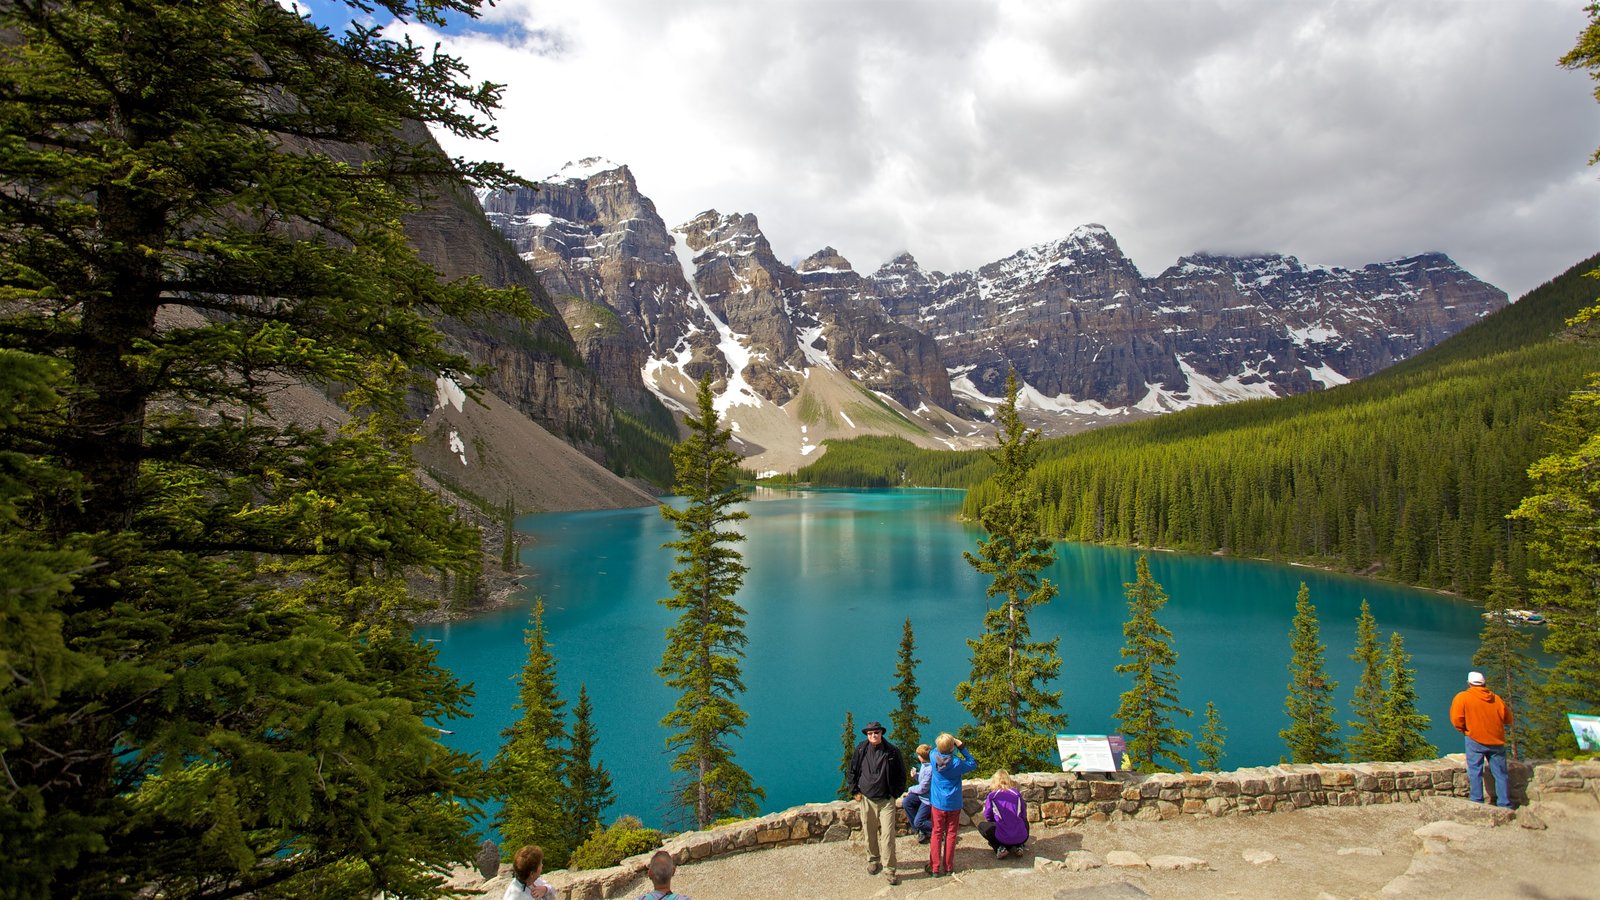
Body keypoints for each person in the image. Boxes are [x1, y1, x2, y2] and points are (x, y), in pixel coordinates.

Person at [847, 719, 908, 885]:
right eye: (870, 733)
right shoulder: (861, 749)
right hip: (867, 799)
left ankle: (890, 870)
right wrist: (855, 791)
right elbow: (852, 771)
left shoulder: (892, 752)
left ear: (881, 733)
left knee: (888, 837)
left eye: (876, 733)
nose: (873, 735)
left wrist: (895, 793)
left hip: (886, 800)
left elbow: (901, 775)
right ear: (867, 735)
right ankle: (873, 861)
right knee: (869, 833)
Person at [1449, 670, 1514, 808]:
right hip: (1496, 741)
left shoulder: (1463, 697)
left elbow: (1456, 719)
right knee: (1501, 774)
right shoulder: (1496, 699)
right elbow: (1508, 718)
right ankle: (1505, 804)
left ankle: (1477, 801)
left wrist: (1465, 730)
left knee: (1475, 771)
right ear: (1484, 684)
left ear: (1469, 683)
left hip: (1474, 739)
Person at [926, 732, 976, 877]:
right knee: (951, 834)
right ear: (952, 748)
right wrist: (961, 747)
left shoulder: (933, 756)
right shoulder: (957, 763)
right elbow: (972, 763)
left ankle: (934, 867)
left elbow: (936, 749)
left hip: (937, 803)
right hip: (953, 803)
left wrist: (948, 743)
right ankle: (948, 867)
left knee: (936, 833)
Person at [977, 769, 1029, 858]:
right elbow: (1023, 814)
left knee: (982, 826)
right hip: (1021, 836)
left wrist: (996, 822)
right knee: (1024, 822)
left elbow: (988, 816)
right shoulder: (1016, 793)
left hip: (1002, 835)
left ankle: (1000, 848)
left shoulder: (992, 796)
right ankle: (1019, 846)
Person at [900, 743, 933, 844]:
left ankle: (938, 829)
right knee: (907, 802)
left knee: (919, 821)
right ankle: (920, 831)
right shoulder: (924, 765)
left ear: (922, 757)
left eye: (919, 755)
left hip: (927, 799)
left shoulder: (930, 769)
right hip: (923, 795)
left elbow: (923, 788)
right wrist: (916, 776)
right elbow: (924, 781)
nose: (918, 757)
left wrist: (910, 789)